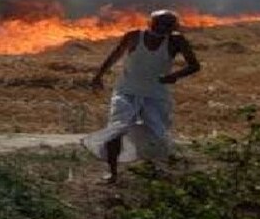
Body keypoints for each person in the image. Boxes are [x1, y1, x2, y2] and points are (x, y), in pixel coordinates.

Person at [82, 9, 201, 183]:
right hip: (126, 91)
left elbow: (194, 65)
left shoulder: (176, 41)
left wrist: (174, 76)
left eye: (168, 25)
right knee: (116, 129)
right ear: (151, 23)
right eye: (160, 24)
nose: (163, 28)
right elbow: (115, 55)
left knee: (156, 133)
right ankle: (113, 173)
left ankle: (154, 169)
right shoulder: (134, 36)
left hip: (156, 94)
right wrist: (98, 76)